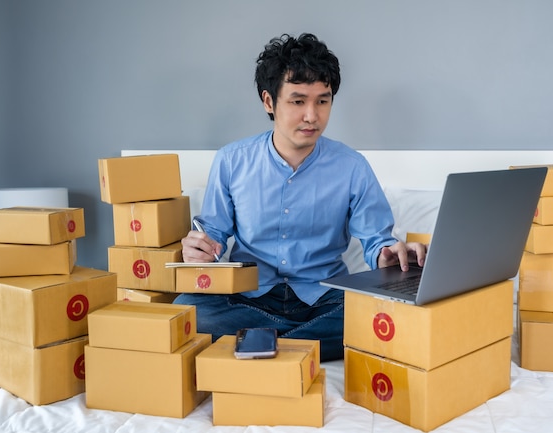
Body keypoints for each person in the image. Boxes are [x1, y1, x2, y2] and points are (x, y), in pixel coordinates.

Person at [174, 33, 426, 361]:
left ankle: (262, 345)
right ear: (269, 101)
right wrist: (197, 250)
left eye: (323, 100)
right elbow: (212, 238)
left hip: (325, 299)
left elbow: (376, 242)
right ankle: (301, 348)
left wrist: (388, 255)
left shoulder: (353, 167)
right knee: (188, 313)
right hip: (248, 298)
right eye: (298, 101)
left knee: (386, 314)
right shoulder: (232, 160)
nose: (312, 115)